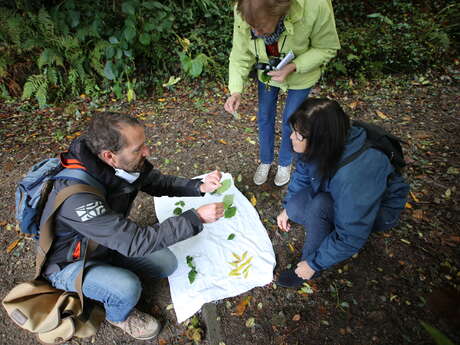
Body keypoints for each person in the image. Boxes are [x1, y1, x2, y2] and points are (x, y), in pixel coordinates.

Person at [40, 112, 225, 340]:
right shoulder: (77, 198)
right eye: (138, 149)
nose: (147, 152)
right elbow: (135, 242)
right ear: (110, 156)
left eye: (144, 144)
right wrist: (195, 218)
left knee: (166, 263)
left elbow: (155, 181)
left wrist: (198, 187)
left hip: (103, 243)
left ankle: (111, 276)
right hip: (72, 261)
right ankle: (118, 315)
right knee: (128, 288)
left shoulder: (120, 165)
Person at [275, 99, 410, 288]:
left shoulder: (354, 177)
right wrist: (288, 206)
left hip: (377, 211)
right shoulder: (329, 139)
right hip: (338, 189)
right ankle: (328, 227)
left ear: (319, 140)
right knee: (296, 209)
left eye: (298, 135)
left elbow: (351, 236)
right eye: (293, 131)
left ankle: (307, 269)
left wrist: (314, 264)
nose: (291, 137)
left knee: (320, 206)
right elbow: (303, 173)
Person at [224, 0, 340, 186]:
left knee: (292, 122)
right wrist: (236, 90)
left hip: (301, 76)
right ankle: (266, 160)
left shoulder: (315, 5)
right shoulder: (244, 8)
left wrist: (295, 66)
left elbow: (327, 47)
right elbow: (240, 53)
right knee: (264, 117)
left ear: (279, 11)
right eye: (252, 27)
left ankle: (285, 163)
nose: (255, 33)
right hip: (268, 74)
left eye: (260, 27)